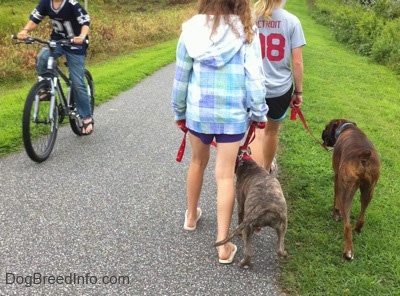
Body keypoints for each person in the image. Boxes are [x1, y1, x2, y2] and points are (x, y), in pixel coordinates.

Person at [171, 0, 268, 264]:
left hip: (199, 113)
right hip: (232, 115)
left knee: (197, 162)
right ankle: (223, 246)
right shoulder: (246, 30)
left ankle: (191, 216)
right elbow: (255, 78)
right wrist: (259, 113)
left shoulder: (191, 29)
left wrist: (179, 112)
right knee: (225, 176)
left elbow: (181, 77)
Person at [17, 0, 94, 135]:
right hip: (57, 42)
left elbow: (85, 22)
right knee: (42, 57)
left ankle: (86, 117)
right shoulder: (46, 3)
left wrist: (81, 36)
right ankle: (47, 88)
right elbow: (35, 19)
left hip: (75, 44)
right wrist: (25, 30)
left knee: (77, 81)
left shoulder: (72, 4)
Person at [249, 0, 306, 172]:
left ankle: (253, 176)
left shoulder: (249, 17)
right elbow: (297, 62)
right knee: (271, 132)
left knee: (256, 132)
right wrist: (298, 91)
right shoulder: (292, 21)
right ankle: (266, 169)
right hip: (280, 89)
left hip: (252, 85)